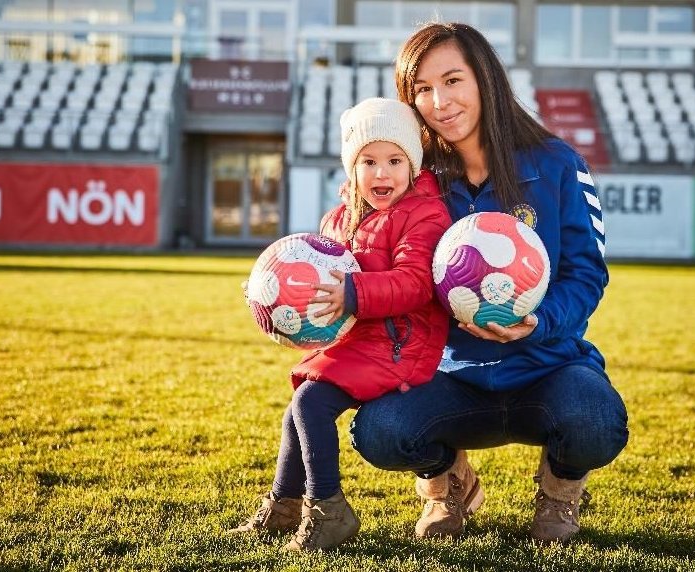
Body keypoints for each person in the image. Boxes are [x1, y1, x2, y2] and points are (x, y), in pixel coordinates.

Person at [349, 23, 629, 543]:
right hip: (450, 375)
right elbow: (376, 255)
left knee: (596, 421)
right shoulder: (416, 179)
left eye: (453, 80)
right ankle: (446, 484)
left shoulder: (558, 164)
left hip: (548, 366)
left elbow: (587, 272)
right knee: (379, 431)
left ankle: (561, 492)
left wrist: (539, 323)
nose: (439, 101)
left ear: (485, 79)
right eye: (422, 90)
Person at [231, 97, 452, 551]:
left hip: (400, 344)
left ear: (412, 165)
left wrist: (354, 292)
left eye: (394, 160)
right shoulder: (339, 219)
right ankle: (284, 505)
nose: (381, 174)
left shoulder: (424, 214)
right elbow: (311, 271)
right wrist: (269, 290)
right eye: (368, 161)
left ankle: (327, 508)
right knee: (300, 406)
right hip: (359, 341)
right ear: (352, 167)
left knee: (311, 401)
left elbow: (415, 284)